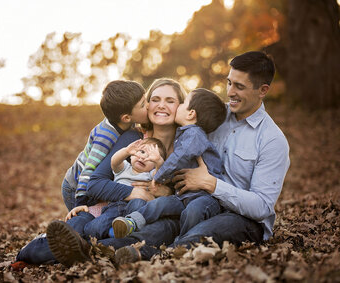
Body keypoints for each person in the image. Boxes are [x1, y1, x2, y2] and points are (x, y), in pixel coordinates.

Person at [112, 51, 291, 264]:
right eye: (229, 83)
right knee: (163, 226)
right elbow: (168, 128)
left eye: (239, 87)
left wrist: (211, 184)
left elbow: (262, 206)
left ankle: (156, 256)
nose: (230, 92)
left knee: (205, 231)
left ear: (263, 90)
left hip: (240, 218)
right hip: (194, 202)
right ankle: (99, 249)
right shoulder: (211, 115)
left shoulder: (272, 140)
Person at [12, 78, 185, 267]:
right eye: (155, 99)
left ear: (181, 107)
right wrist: (130, 193)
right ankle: (38, 251)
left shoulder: (186, 146)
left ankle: (87, 251)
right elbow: (95, 182)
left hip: (147, 219)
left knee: (164, 229)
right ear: (146, 104)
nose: (161, 105)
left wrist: (166, 193)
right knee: (80, 225)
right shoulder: (133, 139)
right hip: (108, 208)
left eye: (170, 101)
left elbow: (189, 197)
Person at [112, 88, 227, 239]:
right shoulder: (185, 133)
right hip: (183, 196)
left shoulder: (194, 134)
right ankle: (132, 222)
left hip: (204, 197)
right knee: (159, 204)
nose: (178, 106)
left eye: (183, 103)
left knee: (194, 211)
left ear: (191, 113)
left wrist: (158, 176)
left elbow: (179, 158)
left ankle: (183, 243)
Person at [62, 80, 148, 215]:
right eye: (143, 105)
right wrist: (81, 202)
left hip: (87, 184)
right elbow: (89, 169)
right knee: (82, 216)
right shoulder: (105, 136)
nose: (149, 106)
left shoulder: (126, 124)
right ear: (126, 118)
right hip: (75, 186)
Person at [64, 137, 167, 241]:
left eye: (150, 157)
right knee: (94, 228)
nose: (143, 157)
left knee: (138, 203)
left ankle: (123, 229)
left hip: (136, 208)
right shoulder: (124, 168)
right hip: (116, 205)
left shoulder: (150, 175)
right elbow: (114, 161)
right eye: (142, 151)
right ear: (131, 155)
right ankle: (110, 233)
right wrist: (126, 151)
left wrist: (158, 161)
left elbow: (160, 173)